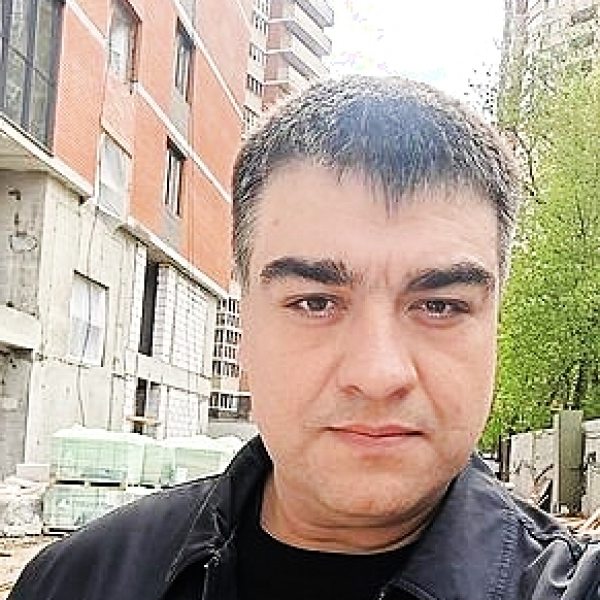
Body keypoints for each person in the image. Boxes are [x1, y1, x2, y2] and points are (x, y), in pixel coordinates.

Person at [9, 76, 600, 600]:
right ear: (244, 323)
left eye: (439, 306)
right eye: (316, 302)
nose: (377, 373)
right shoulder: (77, 581)